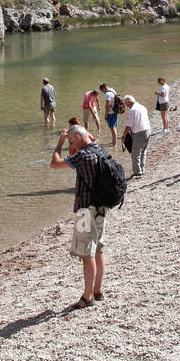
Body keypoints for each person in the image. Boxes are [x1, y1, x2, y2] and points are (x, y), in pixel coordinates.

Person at [50, 125, 111, 309]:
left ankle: (87, 296)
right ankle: (98, 290)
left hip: (85, 209)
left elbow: (55, 163)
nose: (71, 144)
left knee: (86, 253)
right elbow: (88, 137)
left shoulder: (82, 156)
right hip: (103, 206)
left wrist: (59, 144)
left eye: (71, 141)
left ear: (77, 138)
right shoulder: (99, 150)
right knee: (99, 248)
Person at [121, 95, 151, 178]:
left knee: (135, 153)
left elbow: (129, 125)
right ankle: (142, 169)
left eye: (127, 104)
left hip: (139, 133)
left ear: (129, 102)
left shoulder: (133, 110)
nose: (127, 106)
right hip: (147, 130)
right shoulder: (142, 107)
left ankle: (137, 172)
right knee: (143, 151)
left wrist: (124, 134)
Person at [100, 83, 120, 147]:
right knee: (114, 127)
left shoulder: (107, 94)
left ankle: (114, 144)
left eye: (102, 90)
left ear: (103, 88)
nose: (103, 92)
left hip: (110, 113)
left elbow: (107, 105)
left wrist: (106, 115)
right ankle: (114, 141)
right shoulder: (112, 90)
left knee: (112, 128)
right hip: (115, 111)